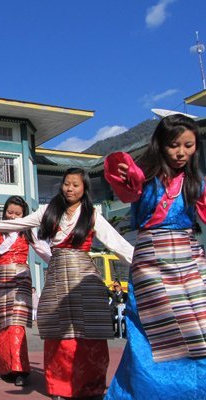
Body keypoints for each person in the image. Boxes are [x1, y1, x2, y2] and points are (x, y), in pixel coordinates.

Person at [0, 168, 133, 400]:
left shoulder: (93, 214)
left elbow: (116, 243)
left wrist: (143, 260)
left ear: (85, 188)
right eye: (66, 184)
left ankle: (90, 386)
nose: (70, 188)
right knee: (58, 329)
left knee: (89, 329)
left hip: (83, 274)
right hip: (57, 272)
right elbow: (18, 224)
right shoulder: (48, 211)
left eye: (76, 185)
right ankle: (59, 385)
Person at [103, 114, 206, 400]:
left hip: (190, 258)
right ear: (160, 145)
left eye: (189, 145)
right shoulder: (144, 178)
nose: (181, 152)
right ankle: (152, 391)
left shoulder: (196, 182)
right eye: (174, 145)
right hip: (152, 262)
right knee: (156, 329)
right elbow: (123, 182)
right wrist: (124, 171)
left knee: (201, 327)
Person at [0, 196, 51, 387]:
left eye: (18, 213)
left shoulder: (27, 232)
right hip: (0, 278)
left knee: (16, 324)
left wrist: (59, 259)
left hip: (20, 278)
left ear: (24, 215)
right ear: (4, 212)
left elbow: (44, 250)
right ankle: (5, 367)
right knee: (1, 324)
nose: (13, 216)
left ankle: (20, 368)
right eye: (10, 212)